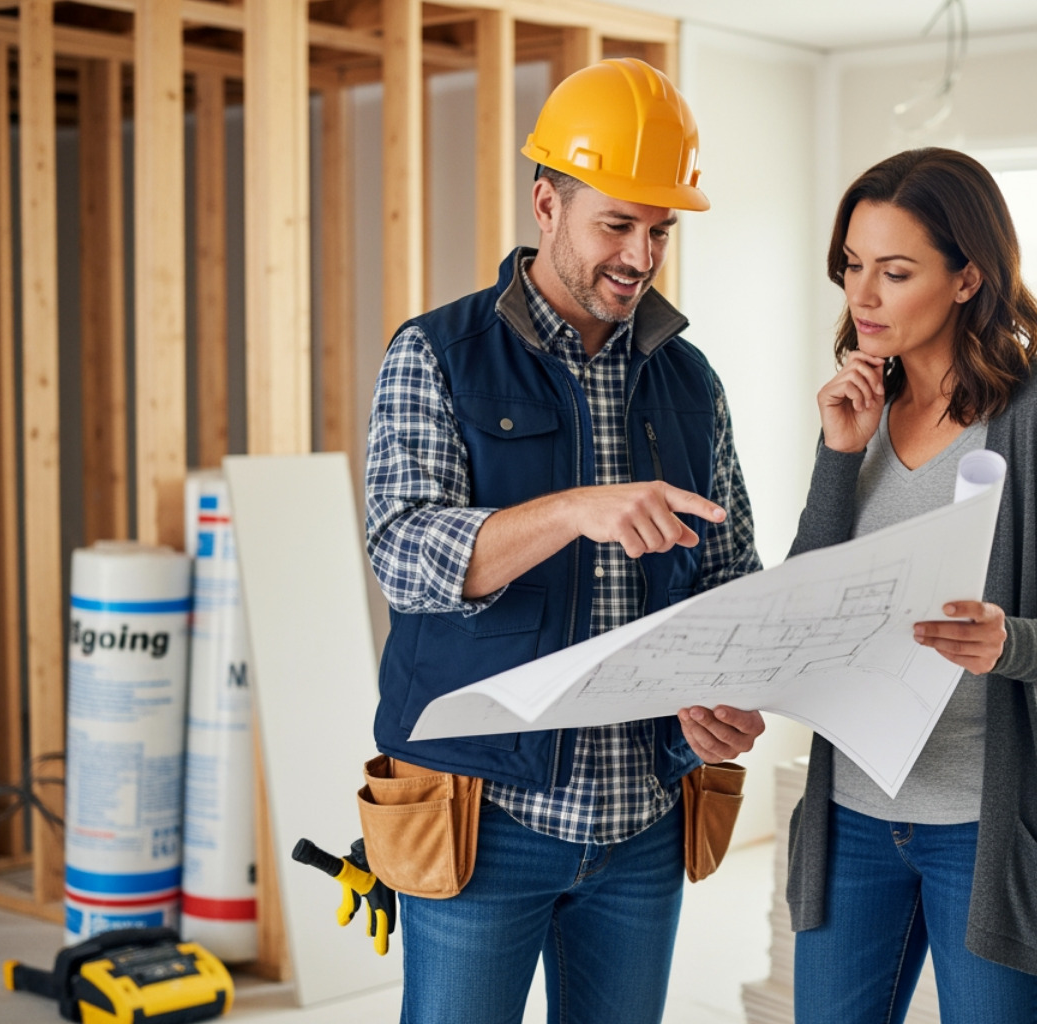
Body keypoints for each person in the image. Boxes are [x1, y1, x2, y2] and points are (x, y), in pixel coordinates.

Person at [364, 58, 765, 1024]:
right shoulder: (438, 354)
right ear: (547, 205)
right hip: (483, 816)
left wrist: (734, 693)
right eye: (616, 224)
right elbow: (404, 555)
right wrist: (574, 509)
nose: (640, 254)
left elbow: (731, 579)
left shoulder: (689, 381)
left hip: (642, 824)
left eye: (659, 230)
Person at [786, 148, 1037, 1024]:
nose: (862, 296)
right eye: (852, 268)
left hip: (989, 829)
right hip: (853, 816)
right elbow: (805, 605)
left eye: (895, 272)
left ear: (967, 278)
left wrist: (1010, 642)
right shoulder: (855, 411)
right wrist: (838, 455)